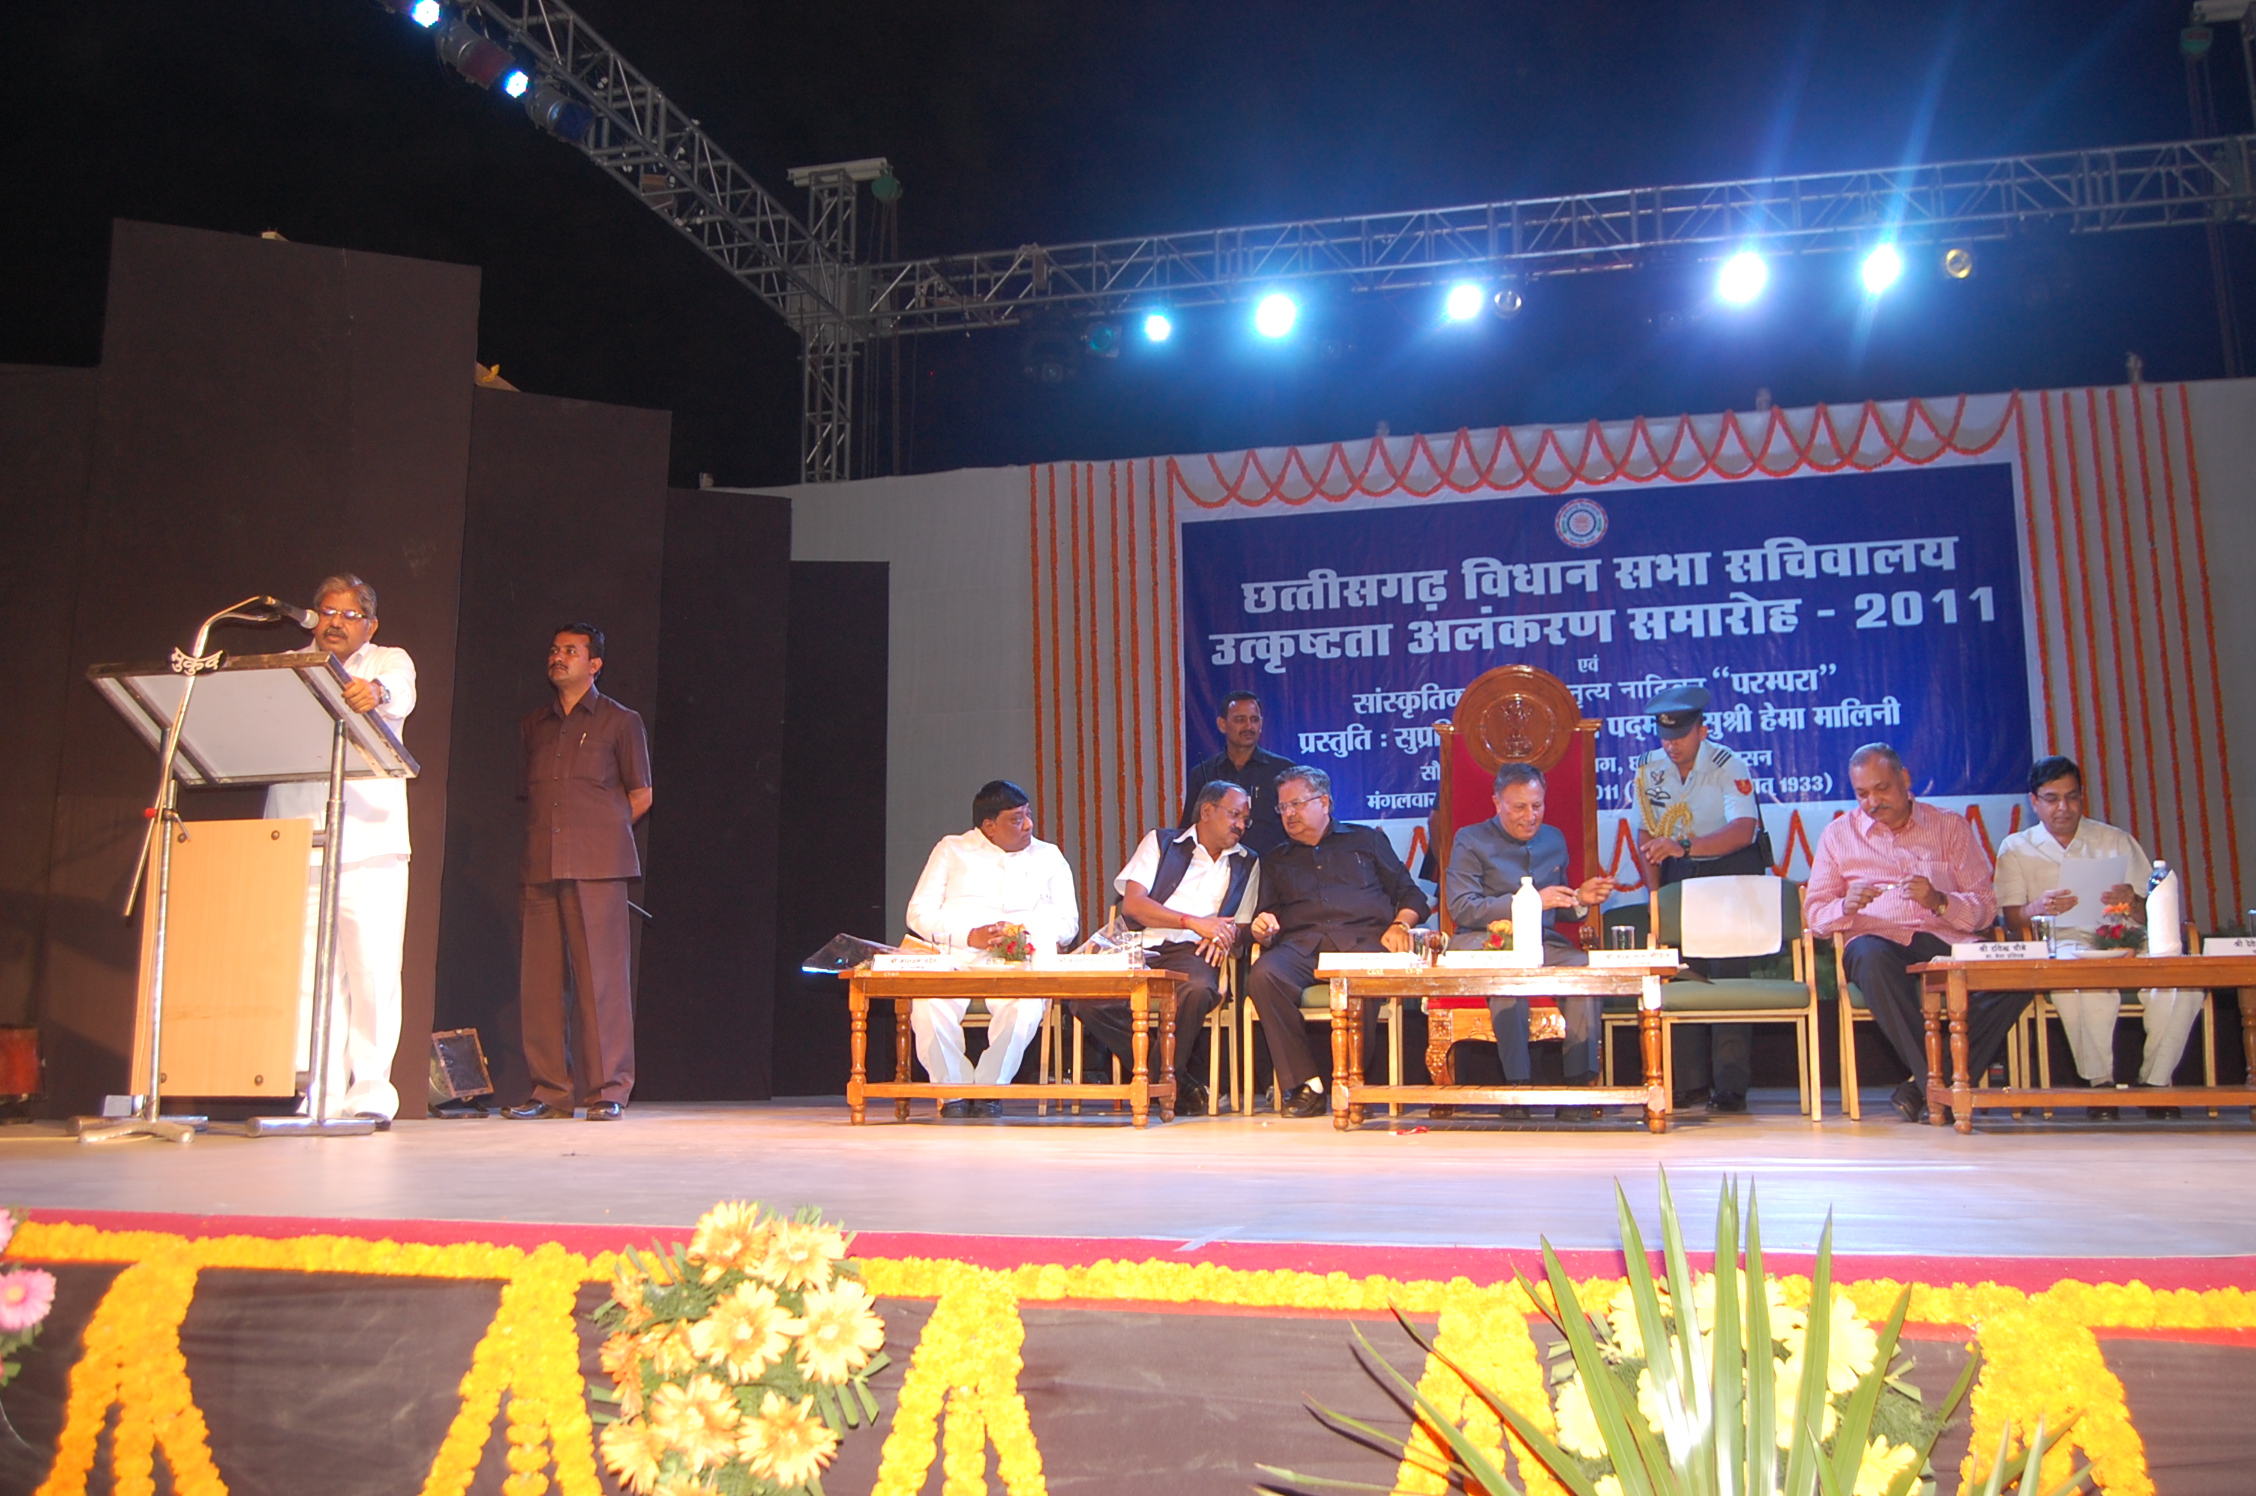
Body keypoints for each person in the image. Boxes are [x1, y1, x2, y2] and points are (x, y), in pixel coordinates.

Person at [264, 574, 416, 1123]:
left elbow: (399, 691)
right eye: (327, 611)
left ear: (369, 625)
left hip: (369, 842)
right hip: (299, 842)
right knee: (307, 973)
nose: (335, 622)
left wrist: (376, 693)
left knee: (371, 971)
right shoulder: (287, 666)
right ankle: (318, 1091)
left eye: (350, 615)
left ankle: (370, 1092)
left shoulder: (387, 661)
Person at [1805, 742, 2011, 1123]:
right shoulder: (1838, 835)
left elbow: (1985, 906)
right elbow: (1815, 916)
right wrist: (1845, 905)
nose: (1872, 802)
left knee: (2011, 979)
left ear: (1904, 778)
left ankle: (1926, 1085)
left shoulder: (1949, 827)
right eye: (1862, 794)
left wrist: (1940, 901)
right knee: (1869, 958)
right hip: (1879, 941)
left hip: (1946, 939)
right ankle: (1943, 1086)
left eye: (1882, 789)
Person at [1993, 755, 2202, 1120]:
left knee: (2182, 982)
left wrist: (2132, 900)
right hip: (2064, 939)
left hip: (2124, 936)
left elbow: (2150, 912)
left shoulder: (2115, 840)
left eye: (2072, 797)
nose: (2063, 807)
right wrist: (2037, 907)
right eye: (2052, 798)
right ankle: (2100, 1084)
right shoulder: (2016, 847)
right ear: (2034, 802)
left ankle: (2155, 1083)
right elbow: (2012, 920)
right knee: (2081, 984)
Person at [506, 624, 652, 1122]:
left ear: (595, 665)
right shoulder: (535, 724)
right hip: (541, 864)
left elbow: (641, 794)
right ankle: (550, 1091)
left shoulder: (620, 721)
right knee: (541, 984)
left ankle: (608, 1090)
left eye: (571, 650)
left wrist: (603, 833)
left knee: (601, 981)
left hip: (597, 866)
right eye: (554, 649)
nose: (559, 657)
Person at [1246, 766, 1428, 1117]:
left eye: (1297, 804)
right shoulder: (1276, 859)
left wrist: (1400, 925)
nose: (1289, 814)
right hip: (1302, 947)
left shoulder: (1366, 841)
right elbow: (1266, 914)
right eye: (1282, 807)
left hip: (1361, 943)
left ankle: (1354, 1083)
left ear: (1325, 802)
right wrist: (1262, 927)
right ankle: (1306, 1085)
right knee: (1264, 975)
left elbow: (1411, 896)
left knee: (1360, 978)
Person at [1448, 763, 1618, 1120]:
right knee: (1510, 974)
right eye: (1519, 807)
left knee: (1583, 971)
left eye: (1537, 806)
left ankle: (1578, 1088)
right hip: (1488, 941)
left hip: (1542, 942)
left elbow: (1559, 909)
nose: (1530, 816)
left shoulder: (1553, 839)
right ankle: (1517, 1087)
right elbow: (1462, 907)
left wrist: (1580, 899)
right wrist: (1531, 901)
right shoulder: (1471, 839)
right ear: (1497, 803)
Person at [904, 780, 1079, 1118]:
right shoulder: (952, 849)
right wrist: (970, 936)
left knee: (1024, 1008)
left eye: (1028, 816)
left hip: (1017, 961)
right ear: (988, 826)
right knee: (927, 1005)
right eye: (1016, 819)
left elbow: (1068, 922)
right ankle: (953, 1093)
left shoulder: (1048, 856)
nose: (1028, 826)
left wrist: (1020, 935)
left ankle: (988, 1089)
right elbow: (918, 912)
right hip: (955, 957)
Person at [1630, 684, 1765, 1112]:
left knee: (1728, 980)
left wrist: (1685, 847)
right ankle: (1687, 1084)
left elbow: (1743, 830)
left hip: (1728, 876)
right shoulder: (1649, 769)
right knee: (1684, 974)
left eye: (1680, 736)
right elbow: (1646, 834)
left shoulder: (1728, 764)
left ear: (1701, 731)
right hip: (1680, 880)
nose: (1671, 745)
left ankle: (1730, 1085)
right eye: (1664, 737)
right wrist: (1656, 895)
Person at [1091, 782, 1261, 1116]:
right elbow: (1133, 905)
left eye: (1246, 819)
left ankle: (1157, 1081)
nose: (1241, 824)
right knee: (1088, 998)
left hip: (1194, 952)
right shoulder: (1161, 842)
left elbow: (1242, 925)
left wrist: (1225, 934)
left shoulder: (1247, 862)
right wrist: (1193, 921)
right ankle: (1172, 1079)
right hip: (1140, 945)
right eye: (1235, 814)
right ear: (1207, 811)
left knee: (1197, 990)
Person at [1179, 691, 1295, 855]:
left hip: (1271, 867)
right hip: (1217, 867)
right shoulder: (1203, 773)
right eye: (1240, 720)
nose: (1249, 726)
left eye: (1254, 720)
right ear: (1222, 724)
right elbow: (1189, 830)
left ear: (1261, 724)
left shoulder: (1284, 770)